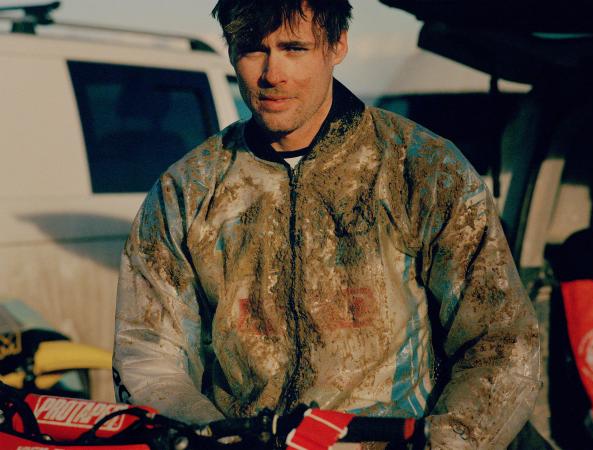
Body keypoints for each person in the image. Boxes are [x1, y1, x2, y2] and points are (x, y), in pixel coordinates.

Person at [112, 0, 541, 448]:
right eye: (253, 49)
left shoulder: (423, 170)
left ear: (337, 45)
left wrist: (448, 442)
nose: (272, 74)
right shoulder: (188, 189)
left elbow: (501, 343)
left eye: (294, 48)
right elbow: (148, 357)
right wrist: (216, 440)